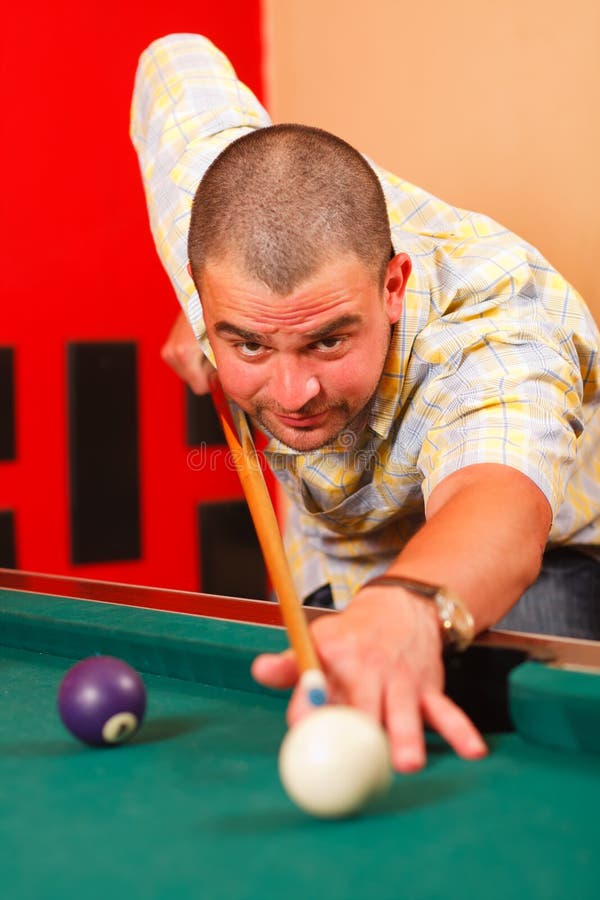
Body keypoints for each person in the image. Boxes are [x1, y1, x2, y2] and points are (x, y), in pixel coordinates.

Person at [131, 33, 600, 773]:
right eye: (251, 343)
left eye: (325, 341)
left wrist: (409, 604)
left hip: (539, 557)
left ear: (393, 287)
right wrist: (214, 326)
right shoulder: (201, 192)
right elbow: (173, 56)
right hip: (341, 540)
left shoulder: (499, 320)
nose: (291, 396)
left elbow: (499, 500)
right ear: (200, 283)